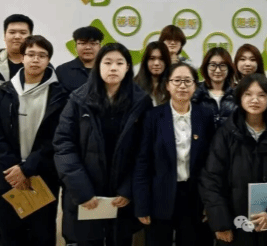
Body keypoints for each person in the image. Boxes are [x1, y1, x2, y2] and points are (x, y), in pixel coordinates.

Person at [54, 43, 153, 246]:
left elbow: (145, 150)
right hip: (86, 193)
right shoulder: (78, 99)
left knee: (120, 240)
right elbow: (64, 145)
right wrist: (82, 190)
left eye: (119, 63)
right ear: (98, 65)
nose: (113, 68)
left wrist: (128, 190)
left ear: (127, 67)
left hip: (121, 195)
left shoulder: (141, 101)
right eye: (107, 62)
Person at [199, 73, 267, 246]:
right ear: (239, 97)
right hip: (235, 225)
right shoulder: (226, 134)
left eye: (261, 95)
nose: (255, 100)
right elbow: (211, 180)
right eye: (248, 94)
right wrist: (221, 223)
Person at [0, 35, 68, 246]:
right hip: (8, 174)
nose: (35, 59)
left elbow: (57, 137)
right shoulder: (3, 93)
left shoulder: (60, 96)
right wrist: (13, 169)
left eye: (42, 55)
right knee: (8, 230)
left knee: (42, 232)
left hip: (43, 174)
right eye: (30, 54)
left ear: (48, 60)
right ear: (22, 58)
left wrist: (28, 168)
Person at [134, 62, 215, 246]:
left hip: (194, 197)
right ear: (167, 85)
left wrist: (210, 202)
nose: (182, 86)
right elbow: (142, 163)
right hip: (159, 197)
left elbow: (210, 163)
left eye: (187, 81)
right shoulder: (153, 117)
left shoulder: (205, 116)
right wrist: (142, 204)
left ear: (195, 86)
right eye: (177, 80)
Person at [0, 14, 34, 91]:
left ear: (31, 37)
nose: (17, 37)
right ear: (4, 35)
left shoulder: (43, 67)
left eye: (23, 33)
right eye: (12, 32)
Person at [192, 47, 238, 128]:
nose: (217, 70)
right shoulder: (196, 94)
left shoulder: (236, 94)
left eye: (222, 65)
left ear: (229, 68)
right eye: (213, 65)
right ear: (206, 67)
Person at [56, 26, 104, 94]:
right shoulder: (62, 70)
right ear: (76, 46)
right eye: (83, 43)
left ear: (100, 47)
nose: (88, 47)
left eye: (93, 43)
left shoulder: (107, 69)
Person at [134, 41, 172, 106]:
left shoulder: (173, 86)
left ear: (166, 61)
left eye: (161, 59)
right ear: (146, 61)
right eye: (152, 58)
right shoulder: (134, 86)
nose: (156, 63)